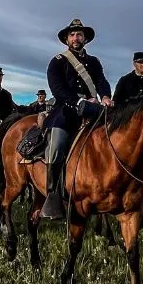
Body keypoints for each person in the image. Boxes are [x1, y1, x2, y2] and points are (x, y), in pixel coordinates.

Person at [42, 18, 113, 220]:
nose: (76, 37)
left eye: (79, 34)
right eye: (72, 34)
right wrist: (79, 102)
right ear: (66, 39)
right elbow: (57, 89)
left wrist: (105, 97)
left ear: (85, 39)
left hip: (93, 110)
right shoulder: (57, 62)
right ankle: (52, 195)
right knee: (56, 148)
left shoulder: (94, 62)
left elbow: (101, 81)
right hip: (66, 111)